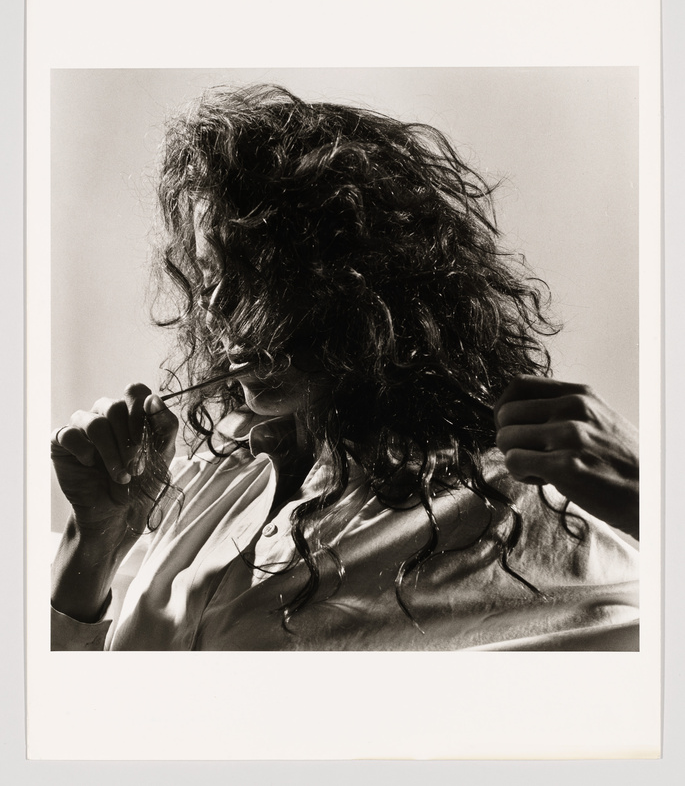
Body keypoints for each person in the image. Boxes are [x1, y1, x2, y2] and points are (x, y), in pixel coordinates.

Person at [50, 84, 639, 651]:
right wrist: (93, 547)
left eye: (256, 271)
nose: (216, 308)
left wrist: (652, 495)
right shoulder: (215, 473)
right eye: (209, 277)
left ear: (367, 283)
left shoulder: (512, 511)